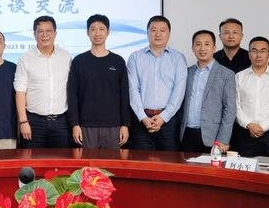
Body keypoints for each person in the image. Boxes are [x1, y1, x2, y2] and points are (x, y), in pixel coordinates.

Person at [67, 14, 130, 149]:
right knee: (88, 161)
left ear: (108, 32)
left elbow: (125, 95)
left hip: (114, 125)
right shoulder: (79, 61)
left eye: (101, 29)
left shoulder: (118, 61)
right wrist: (75, 124)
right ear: (87, 32)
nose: (97, 33)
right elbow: (72, 95)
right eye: (93, 29)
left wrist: (125, 124)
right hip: (86, 125)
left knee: (113, 161)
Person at [127, 15, 188, 151]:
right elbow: (133, 89)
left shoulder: (178, 58)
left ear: (169, 34)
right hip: (141, 121)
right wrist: (143, 118)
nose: (158, 34)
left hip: (169, 121)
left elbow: (179, 92)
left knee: (169, 162)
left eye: (162, 30)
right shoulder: (135, 57)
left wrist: (163, 117)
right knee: (141, 162)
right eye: (153, 30)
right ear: (147, 32)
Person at [14, 16, 72, 148]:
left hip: (61, 122)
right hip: (34, 122)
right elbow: (20, 92)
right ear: (34, 34)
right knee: (31, 159)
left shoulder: (66, 56)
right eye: (40, 31)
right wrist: (23, 122)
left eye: (48, 31)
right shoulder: (25, 59)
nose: (44, 35)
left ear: (55, 33)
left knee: (62, 160)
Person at [179, 30, 236, 154]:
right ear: (192, 48)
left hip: (213, 137)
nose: (202, 48)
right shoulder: (186, 72)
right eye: (198, 44)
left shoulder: (226, 74)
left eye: (207, 44)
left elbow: (230, 109)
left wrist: (223, 139)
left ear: (214, 48)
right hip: (186, 135)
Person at [234, 36, 269, 157]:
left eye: (263, 51)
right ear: (249, 54)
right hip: (245, 135)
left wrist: (263, 127)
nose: (258, 55)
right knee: (245, 167)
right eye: (254, 51)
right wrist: (249, 125)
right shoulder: (239, 77)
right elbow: (235, 105)